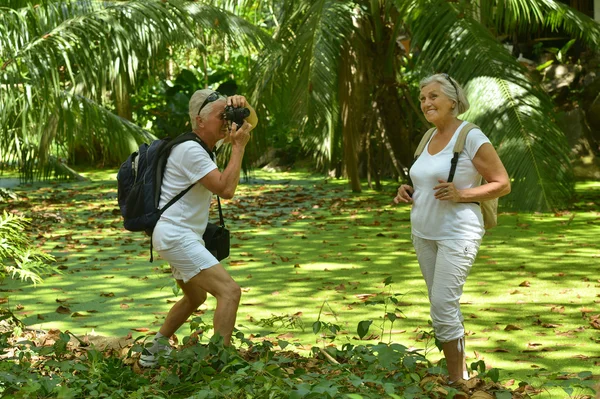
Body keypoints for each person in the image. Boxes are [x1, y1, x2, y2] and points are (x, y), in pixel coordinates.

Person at [394, 74, 510, 383]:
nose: (426, 103)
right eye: (422, 99)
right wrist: (407, 190)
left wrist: (463, 194)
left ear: (453, 101)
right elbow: (427, 180)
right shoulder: (427, 137)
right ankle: (456, 376)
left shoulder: (471, 136)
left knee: (443, 306)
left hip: (458, 234)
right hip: (422, 233)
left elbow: (503, 184)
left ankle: (458, 381)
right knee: (440, 306)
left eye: (433, 96)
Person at [140, 89, 257, 367]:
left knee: (196, 296)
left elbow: (251, 121)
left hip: (176, 235)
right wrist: (238, 147)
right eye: (221, 116)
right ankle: (221, 364)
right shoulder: (190, 150)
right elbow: (226, 189)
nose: (227, 122)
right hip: (176, 235)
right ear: (199, 121)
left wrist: (242, 105)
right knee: (229, 292)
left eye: (226, 115)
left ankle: (152, 351)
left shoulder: (203, 145)